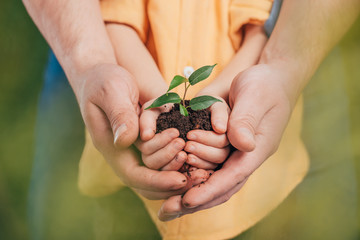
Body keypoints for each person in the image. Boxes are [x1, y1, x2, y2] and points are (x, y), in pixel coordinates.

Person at [24, 0, 359, 239]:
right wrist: (98, 68)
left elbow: (260, 29)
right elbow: (115, 18)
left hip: (261, 173)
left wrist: (237, 97)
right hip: (104, 62)